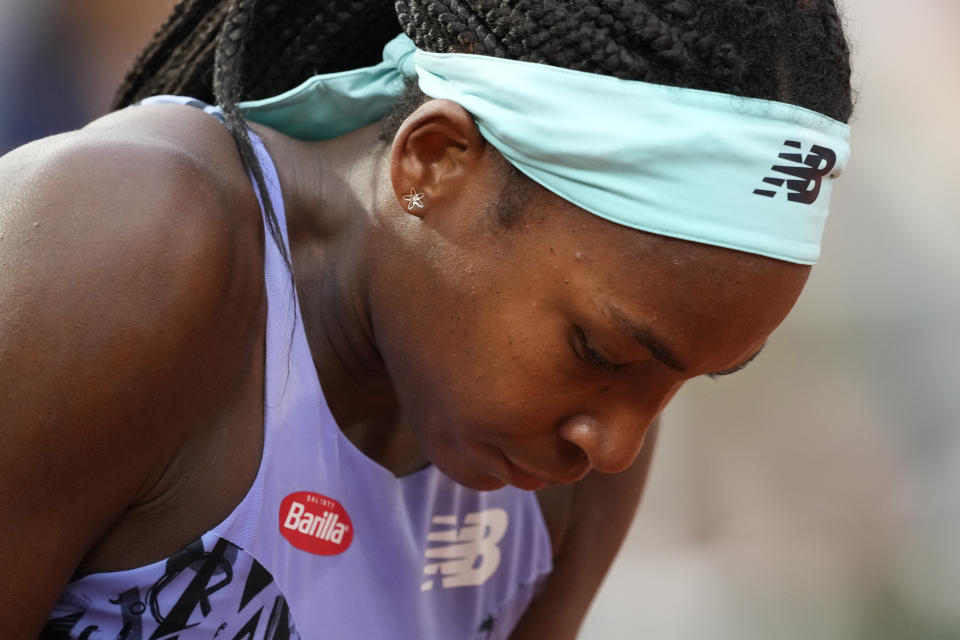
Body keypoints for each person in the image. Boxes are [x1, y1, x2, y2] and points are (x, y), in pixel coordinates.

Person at [0, 1, 853, 638]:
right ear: (436, 162)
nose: (618, 443)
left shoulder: (568, 458)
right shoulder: (127, 243)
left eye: (684, 383)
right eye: (599, 349)